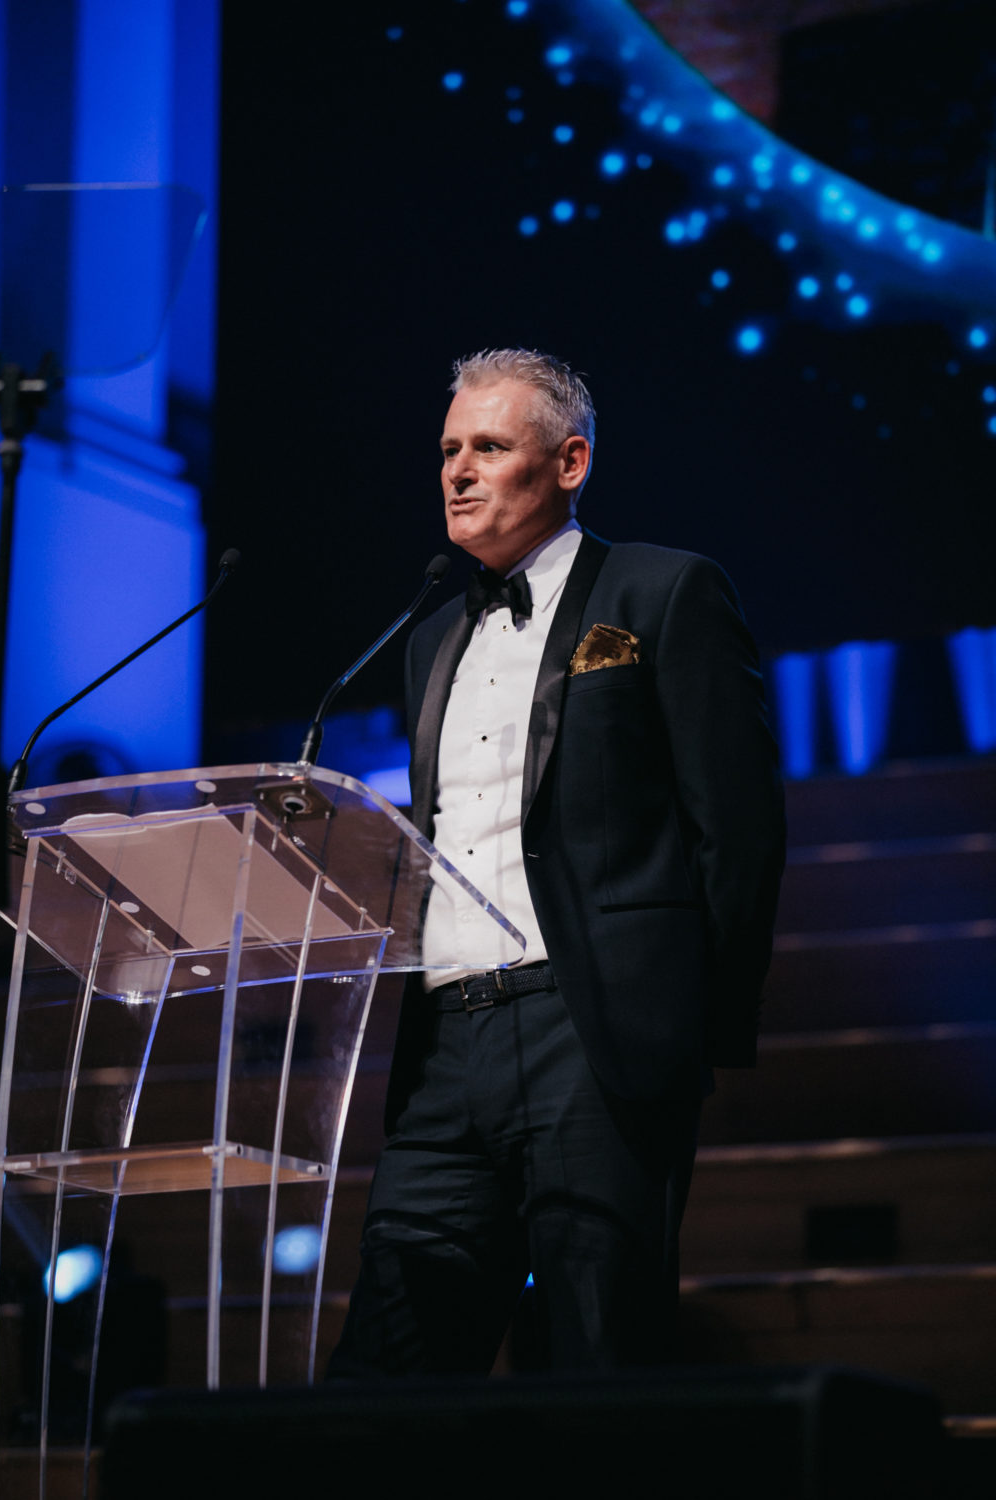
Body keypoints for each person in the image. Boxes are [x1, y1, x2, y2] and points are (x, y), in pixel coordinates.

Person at [331, 348, 784, 1375]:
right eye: (448, 449)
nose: (457, 471)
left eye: (489, 447)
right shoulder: (428, 637)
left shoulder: (663, 591)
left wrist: (688, 1029)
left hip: (593, 1033)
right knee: (385, 1367)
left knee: (596, 1355)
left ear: (570, 462)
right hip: (445, 1048)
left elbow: (741, 829)